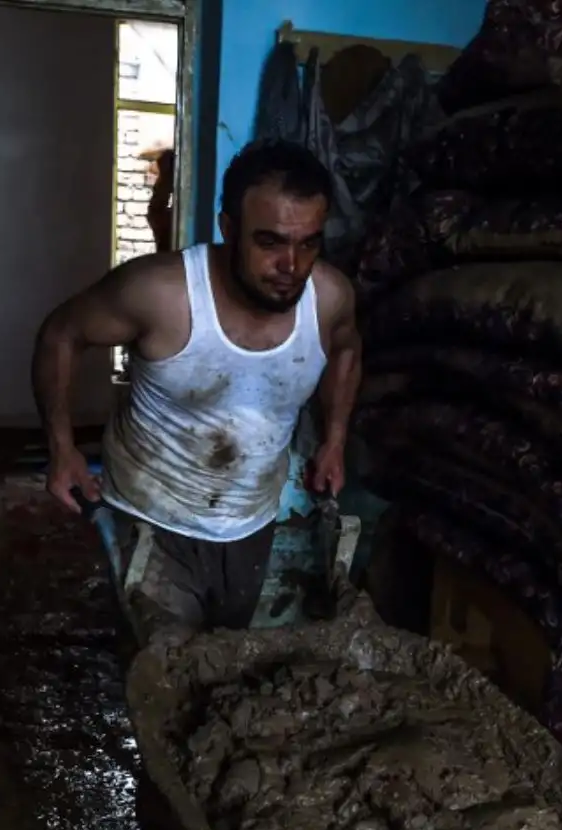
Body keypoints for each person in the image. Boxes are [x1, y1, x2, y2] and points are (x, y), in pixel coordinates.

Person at [30, 140, 361, 642]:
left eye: (308, 244)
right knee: (165, 668)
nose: (291, 265)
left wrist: (334, 440)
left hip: (251, 523)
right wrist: (61, 448)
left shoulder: (330, 299)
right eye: (270, 242)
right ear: (228, 228)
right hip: (152, 521)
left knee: (223, 658)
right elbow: (61, 334)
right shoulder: (162, 294)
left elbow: (346, 350)